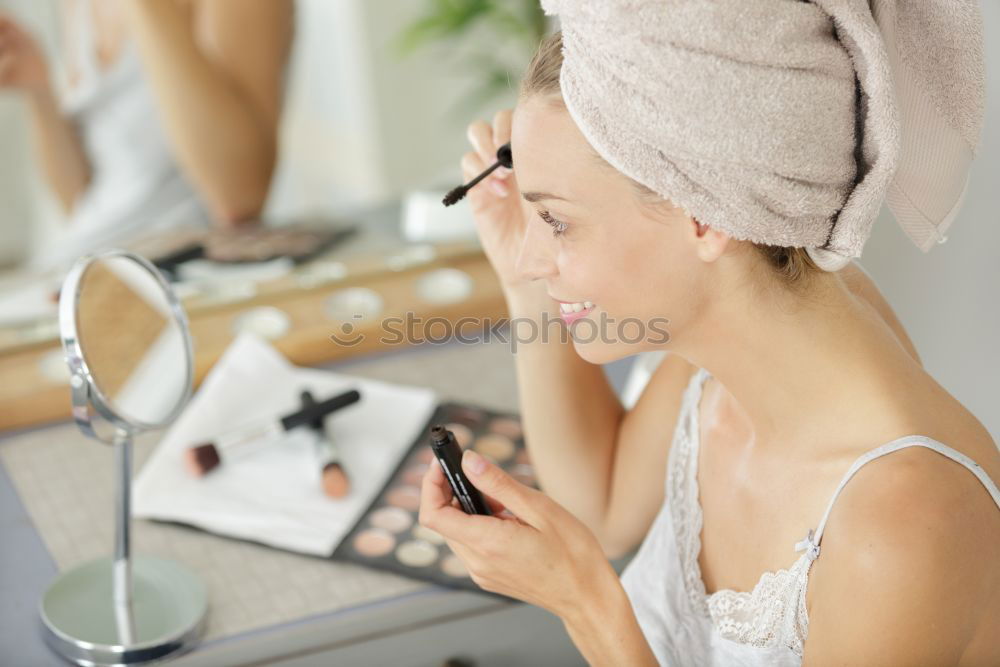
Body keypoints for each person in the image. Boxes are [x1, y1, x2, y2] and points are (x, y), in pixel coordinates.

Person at [418, 2, 999, 665]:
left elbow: (597, 548)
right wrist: (530, 282)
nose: (528, 255)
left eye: (556, 222)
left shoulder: (904, 525)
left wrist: (588, 604)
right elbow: (601, 504)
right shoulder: (734, 344)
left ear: (703, 215)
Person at [0, 0, 293, 267]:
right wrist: (39, 91)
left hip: (184, 273)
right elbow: (84, 203)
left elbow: (239, 198)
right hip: (85, 267)